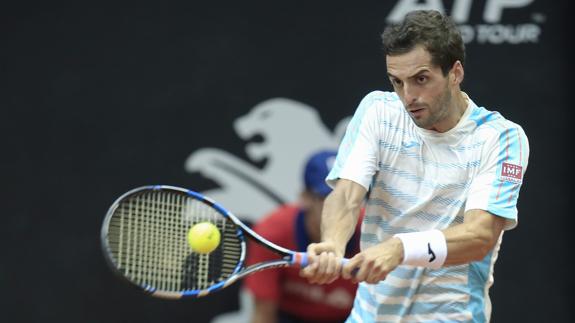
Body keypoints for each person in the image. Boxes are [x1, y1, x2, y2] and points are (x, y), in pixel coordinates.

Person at [300, 10, 529, 323]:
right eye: (397, 82)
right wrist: (332, 244)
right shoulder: (378, 111)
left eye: (421, 79)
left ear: (455, 72)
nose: (408, 97)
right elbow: (346, 195)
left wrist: (399, 248)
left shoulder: (501, 137)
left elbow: (480, 236)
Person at [244, 150, 364, 323]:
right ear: (305, 198)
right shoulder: (272, 233)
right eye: (329, 198)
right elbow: (263, 315)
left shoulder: (373, 235)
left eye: (351, 198)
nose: (342, 208)